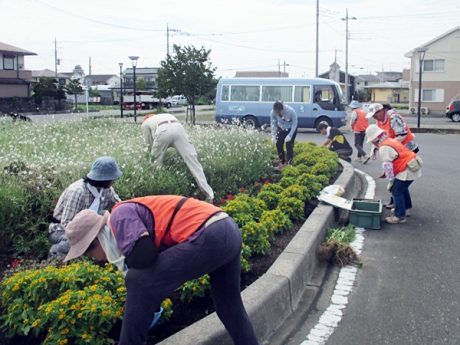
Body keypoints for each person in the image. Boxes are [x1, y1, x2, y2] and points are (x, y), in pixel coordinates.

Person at [64, 195, 260, 345]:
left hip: (210, 235)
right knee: (228, 307)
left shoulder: (119, 215)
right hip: (226, 229)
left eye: (91, 255)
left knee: (137, 281)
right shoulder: (121, 222)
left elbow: (146, 254)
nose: (99, 261)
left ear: (96, 240)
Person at [48, 156, 123, 259]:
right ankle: (55, 252)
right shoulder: (78, 191)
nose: (114, 180)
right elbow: (66, 225)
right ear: (105, 179)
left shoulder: (107, 190)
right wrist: (88, 237)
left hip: (89, 227)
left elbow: (119, 207)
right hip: (61, 231)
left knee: (106, 218)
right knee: (73, 243)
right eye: (112, 178)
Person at [142, 113, 214, 202]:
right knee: (193, 161)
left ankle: (157, 197)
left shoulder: (146, 123)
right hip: (178, 128)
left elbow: (149, 145)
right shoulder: (165, 115)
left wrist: (153, 155)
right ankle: (209, 195)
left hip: (162, 131)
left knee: (155, 165)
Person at [366, 125, 422, 224]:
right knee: (402, 189)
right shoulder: (390, 141)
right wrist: (386, 173)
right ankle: (405, 209)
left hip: (407, 169)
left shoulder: (383, 147)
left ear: (374, 139)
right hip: (412, 165)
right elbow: (392, 160)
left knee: (396, 190)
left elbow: (387, 166)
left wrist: (390, 181)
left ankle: (399, 215)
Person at [366, 103, 419, 208]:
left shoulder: (393, 117)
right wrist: (374, 150)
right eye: (373, 116)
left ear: (381, 111)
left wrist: (388, 146)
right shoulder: (380, 121)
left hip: (406, 149)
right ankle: (399, 202)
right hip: (395, 151)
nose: (374, 117)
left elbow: (402, 135)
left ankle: (398, 206)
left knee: (399, 180)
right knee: (398, 180)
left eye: (375, 115)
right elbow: (378, 137)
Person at [270, 101, 298, 169]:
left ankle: (289, 163)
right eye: (276, 112)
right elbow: (273, 124)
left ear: (283, 108)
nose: (277, 114)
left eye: (279, 112)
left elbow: (295, 124)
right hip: (281, 129)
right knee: (278, 144)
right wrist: (273, 135)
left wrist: (290, 135)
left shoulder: (291, 111)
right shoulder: (273, 112)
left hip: (291, 129)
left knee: (289, 146)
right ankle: (282, 163)